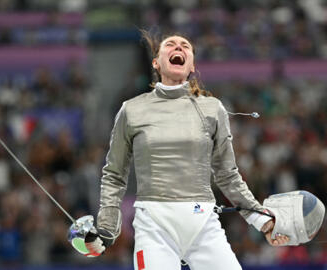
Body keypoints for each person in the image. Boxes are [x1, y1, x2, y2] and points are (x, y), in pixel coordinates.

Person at [81, 30, 289, 269]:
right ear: (156, 63)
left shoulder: (212, 109)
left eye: (185, 46)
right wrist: (107, 227)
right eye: (170, 44)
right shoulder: (132, 110)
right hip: (153, 226)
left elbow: (227, 175)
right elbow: (114, 175)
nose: (178, 47)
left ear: (192, 66)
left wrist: (263, 221)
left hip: (203, 225)